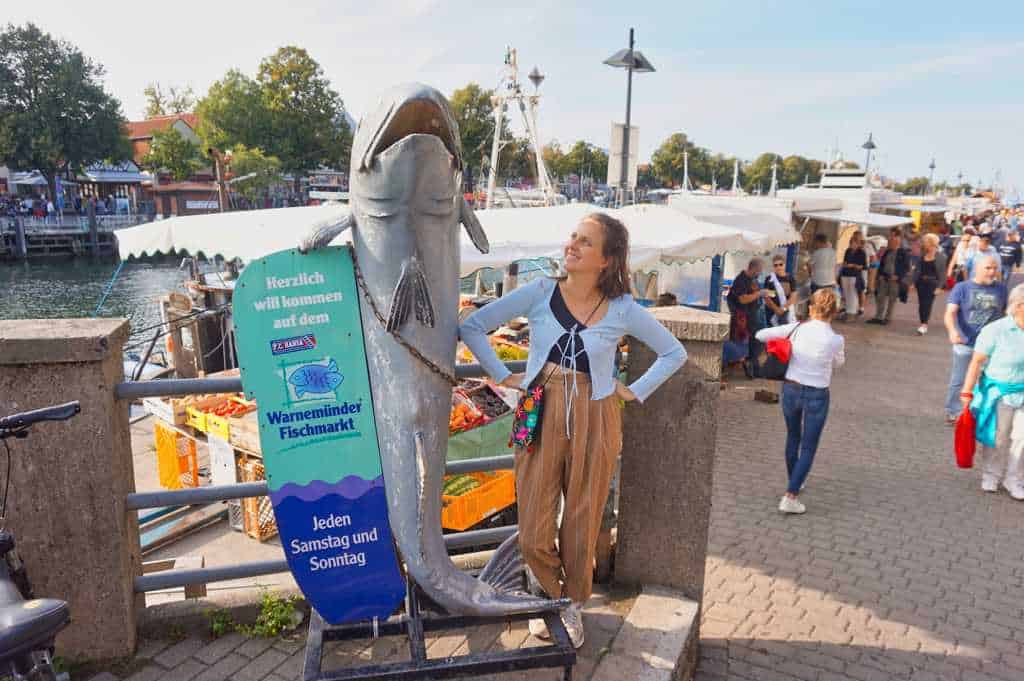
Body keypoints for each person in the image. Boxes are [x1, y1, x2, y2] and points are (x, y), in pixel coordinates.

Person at [460, 213, 686, 648]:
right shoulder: (541, 291)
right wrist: (500, 374)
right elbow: (471, 325)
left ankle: (569, 606)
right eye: (573, 237)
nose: (573, 245)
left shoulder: (622, 309)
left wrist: (632, 391)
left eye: (585, 242)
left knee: (583, 518)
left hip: (597, 412)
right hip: (539, 406)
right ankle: (547, 590)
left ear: (606, 259)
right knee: (533, 526)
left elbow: (672, 353)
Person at [755, 288, 845, 514]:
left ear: (812, 307)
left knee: (793, 437)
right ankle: (790, 496)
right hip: (817, 393)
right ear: (834, 311)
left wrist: (785, 344)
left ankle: (796, 479)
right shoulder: (835, 339)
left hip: (791, 389)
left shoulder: (796, 328)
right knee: (809, 445)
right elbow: (838, 364)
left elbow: (761, 334)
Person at [960, 284, 1024, 499]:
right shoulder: (996, 330)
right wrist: (967, 392)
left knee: (1021, 438)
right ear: (1019, 306)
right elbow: (976, 362)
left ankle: (1014, 479)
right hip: (999, 393)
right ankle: (991, 475)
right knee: (998, 437)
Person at [943, 256, 1008, 424]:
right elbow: (950, 312)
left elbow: (1007, 314)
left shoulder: (1001, 289)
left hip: (992, 345)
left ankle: (980, 411)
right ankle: (954, 411)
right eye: (988, 268)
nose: (992, 272)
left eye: (995, 268)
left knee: (987, 379)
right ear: (977, 268)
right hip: (965, 342)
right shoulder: (962, 288)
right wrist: (952, 331)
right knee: (960, 378)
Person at [727, 258, 771, 378]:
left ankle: (753, 366)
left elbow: (753, 295)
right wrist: (759, 294)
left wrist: (762, 294)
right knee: (748, 342)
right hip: (742, 317)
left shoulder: (753, 279)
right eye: (759, 271)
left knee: (757, 341)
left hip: (753, 314)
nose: (760, 273)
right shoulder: (740, 280)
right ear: (754, 269)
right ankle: (750, 366)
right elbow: (743, 299)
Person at [868, 228, 910, 325]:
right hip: (884, 278)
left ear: (898, 238)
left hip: (895, 280)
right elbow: (882, 264)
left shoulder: (903, 253)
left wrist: (898, 276)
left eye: (893, 236)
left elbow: (906, 267)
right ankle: (878, 317)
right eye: (890, 236)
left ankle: (888, 318)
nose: (890, 238)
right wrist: (880, 275)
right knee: (880, 297)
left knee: (892, 300)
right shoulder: (888, 251)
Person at [913, 233, 948, 335]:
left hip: (932, 283)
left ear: (932, 243)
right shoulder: (922, 255)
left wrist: (940, 287)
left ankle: (924, 325)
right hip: (921, 283)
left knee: (927, 304)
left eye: (925, 242)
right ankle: (922, 322)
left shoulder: (941, 257)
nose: (924, 244)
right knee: (921, 304)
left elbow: (942, 273)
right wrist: (913, 282)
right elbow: (918, 270)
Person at [838, 232, 867, 321]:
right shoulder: (848, 251)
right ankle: (847, 312)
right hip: (845, 274)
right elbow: (845, 261)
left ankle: (852, 314)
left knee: (853, 294)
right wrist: (845, 264)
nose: (852, 245)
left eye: (854, 243)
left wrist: (853, 265)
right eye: (851, 243)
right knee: (846, 294)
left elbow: (863, 266)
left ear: (858, 244)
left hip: (854, 275)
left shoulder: (861, 252)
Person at [765, 256, 797, 326]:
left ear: (784, 264)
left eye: (781, 264)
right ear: (773, 267)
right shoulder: (770, 279)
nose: (778, 267)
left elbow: (793, 297)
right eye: (775, 265)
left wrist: (783, 308)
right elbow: (768, 297)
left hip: (787, 311)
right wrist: (776, 309)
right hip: (773, 312)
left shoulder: (790, 278)